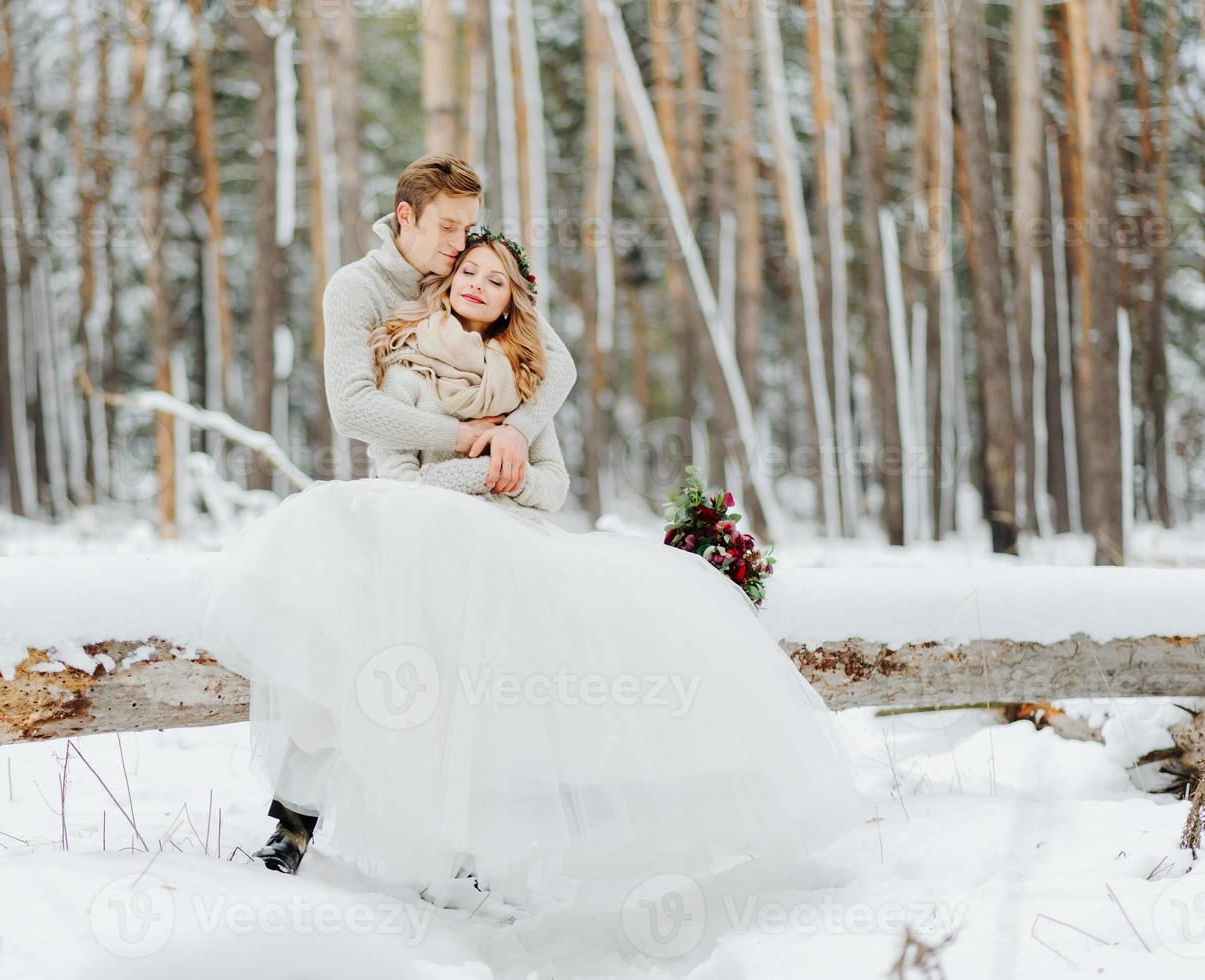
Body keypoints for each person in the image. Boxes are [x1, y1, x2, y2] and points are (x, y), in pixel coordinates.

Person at [219, 225, 867, 913]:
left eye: (496, 281)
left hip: (510, 548)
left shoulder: (524, 385)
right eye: (469, 269)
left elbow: (551, 485)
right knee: (366, 668)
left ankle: (469, 858)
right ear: (448, 279)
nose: (478, 284)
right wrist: (484, 462)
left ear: (510, 303)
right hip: (415, 549)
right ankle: (292, 830)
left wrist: (513, 458)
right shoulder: (403, 365)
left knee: (492, 694)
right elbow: (398, 482)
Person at [249, 153, 578, 875]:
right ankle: (295, 822)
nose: (464, 246)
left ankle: (470, 843)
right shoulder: (358, 289)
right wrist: (471, 441)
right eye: (448, 228)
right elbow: (353, 407)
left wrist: (517, 433)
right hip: (403, 502)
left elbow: (557, 364)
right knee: (347, 642)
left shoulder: (472, 278)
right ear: (406, 217)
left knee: (470, 677)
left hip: (483, 519)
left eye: (470, 227)